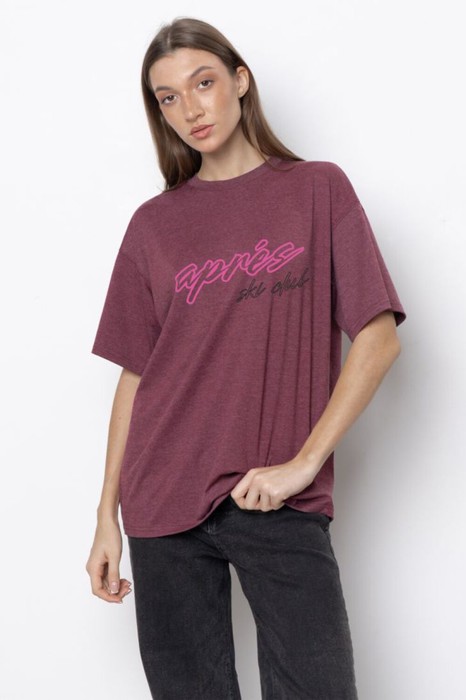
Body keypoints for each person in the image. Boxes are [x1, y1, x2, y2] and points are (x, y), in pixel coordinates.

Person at [85, 16, 407, 700]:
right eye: (168, 97)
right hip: (161, 503)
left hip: (276, 498)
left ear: (239, 81)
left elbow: (378, 337)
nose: (190, 109)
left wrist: (304, 464)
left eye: (202, 83)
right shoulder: (153, 226)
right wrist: (105, 516)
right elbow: (136, 376)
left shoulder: (318, 189)